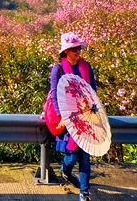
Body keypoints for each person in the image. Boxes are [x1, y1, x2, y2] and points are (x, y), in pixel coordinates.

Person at [50, 32, 98, 201]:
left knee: (85, 155)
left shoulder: (86, 66)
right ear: (66, 52)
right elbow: (55, 94)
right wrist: (61, 115)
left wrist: (92, 107)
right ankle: (66, 171)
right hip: (68, 116)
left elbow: (93, 90)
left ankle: (84, 192)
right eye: (74, 49)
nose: (78, 51)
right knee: (71, 154)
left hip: (85, 116)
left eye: (79, 48)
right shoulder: (59, 69)